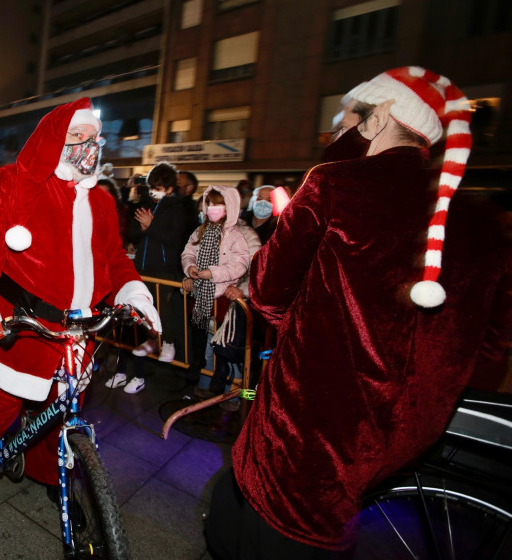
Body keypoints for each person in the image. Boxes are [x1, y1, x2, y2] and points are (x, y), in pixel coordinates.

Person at [206, 67, 512, 558]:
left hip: (313, 425)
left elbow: (266, 291)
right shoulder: (485, 222)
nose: (339, 129)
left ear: (382, 114)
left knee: (270, 534)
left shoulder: (335, 184)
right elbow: (493, 344)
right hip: (411, 436)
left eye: (347, 116)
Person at [0, 97, 161, 536]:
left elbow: (114, 259)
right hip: (17, 334)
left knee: (58, 419)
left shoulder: (100, 202)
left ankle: (56, 480)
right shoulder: (14, 183)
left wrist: (133, 291)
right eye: (78, 136)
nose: (89, 145)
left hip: (77, 338)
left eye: (95, 138)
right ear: (54, 139)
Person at [179, 186, 250, 403]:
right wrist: (190, 268)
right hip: (202, 296)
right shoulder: (200, 230)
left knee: (224, 344)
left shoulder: (236, 235)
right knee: (203, 338)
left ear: (229, 207)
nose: (212, 208)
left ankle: (229, 388)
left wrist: (213, 273)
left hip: (223, 299)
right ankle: (202, 377)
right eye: (209, 203)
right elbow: (188, 253)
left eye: (218, 204)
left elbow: (240, 264)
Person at [125, 162, 188, 374]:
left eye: (159, 188)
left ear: (170, 189)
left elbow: (173, 239)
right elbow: (133, 233)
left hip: (164, 268)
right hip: (142, 266)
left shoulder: (177, 208)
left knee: (163, 308)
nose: (153, 191)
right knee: (143, 309)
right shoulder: (146, 203)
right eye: (152, 186)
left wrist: (151, 227)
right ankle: (151, 341)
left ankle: (168, 342)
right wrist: (144, 229)